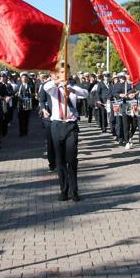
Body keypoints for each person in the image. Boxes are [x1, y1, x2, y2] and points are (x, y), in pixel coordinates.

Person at [44, 61, 89, 201]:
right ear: (57, 74)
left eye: (67, 72)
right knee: (60, 160)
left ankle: (74, 191)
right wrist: (58, 81)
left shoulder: (73, 87)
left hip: (71, 126)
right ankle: (64, 190)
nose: (66, 74)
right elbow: (47, 86)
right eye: (62, 72)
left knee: (71, 159)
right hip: (57, 125)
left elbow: (86, 94)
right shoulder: (53, 88)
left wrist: (72, 90)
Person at [37, 73, 56, 172]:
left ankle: (61, 161)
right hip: (49, 118)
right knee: (51, 142)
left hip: (61, 119)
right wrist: (43, 109)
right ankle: (52, 164)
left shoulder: (67, 84)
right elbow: (42, 99)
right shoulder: (46, 85)